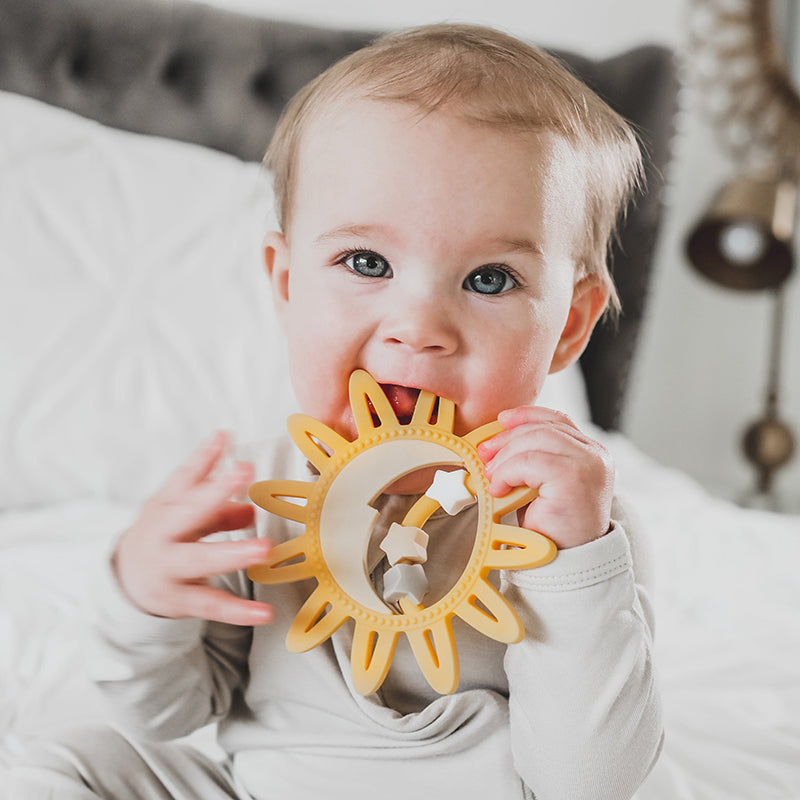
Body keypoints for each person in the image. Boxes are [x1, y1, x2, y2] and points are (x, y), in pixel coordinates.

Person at [10, 23, 662, 800]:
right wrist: (146, 604)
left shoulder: (573, 525)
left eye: (490, 279)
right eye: (366, 263)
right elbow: (170, 712)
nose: (418, 327)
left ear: (571, 327)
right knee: (69, 763)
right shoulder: (256, 495)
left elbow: (591, 784)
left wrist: (575, 566)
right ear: (286, 284)